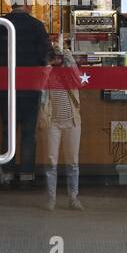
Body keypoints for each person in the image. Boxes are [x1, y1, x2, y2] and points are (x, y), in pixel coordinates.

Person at [0, 0, 50, 187]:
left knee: (7, 130)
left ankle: (7, 174)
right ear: (28, 3)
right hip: (30, 87)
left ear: (11, 4)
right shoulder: (37, 26)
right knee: (29, 132)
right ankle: (27, 176)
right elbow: (45, 56)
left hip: (6, 86)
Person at [39, 48, 84, 211]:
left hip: (72, 121)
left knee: (73, 161)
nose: (57, 59)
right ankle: (51, 198)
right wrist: (47, 66)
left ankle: (73, 197)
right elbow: (39, 87)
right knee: (51, 161)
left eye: (59, 57)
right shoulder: (48, 72)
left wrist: (70, 59)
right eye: (55, 56)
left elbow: (79, 80)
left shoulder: (69, 73)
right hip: (52, 122)